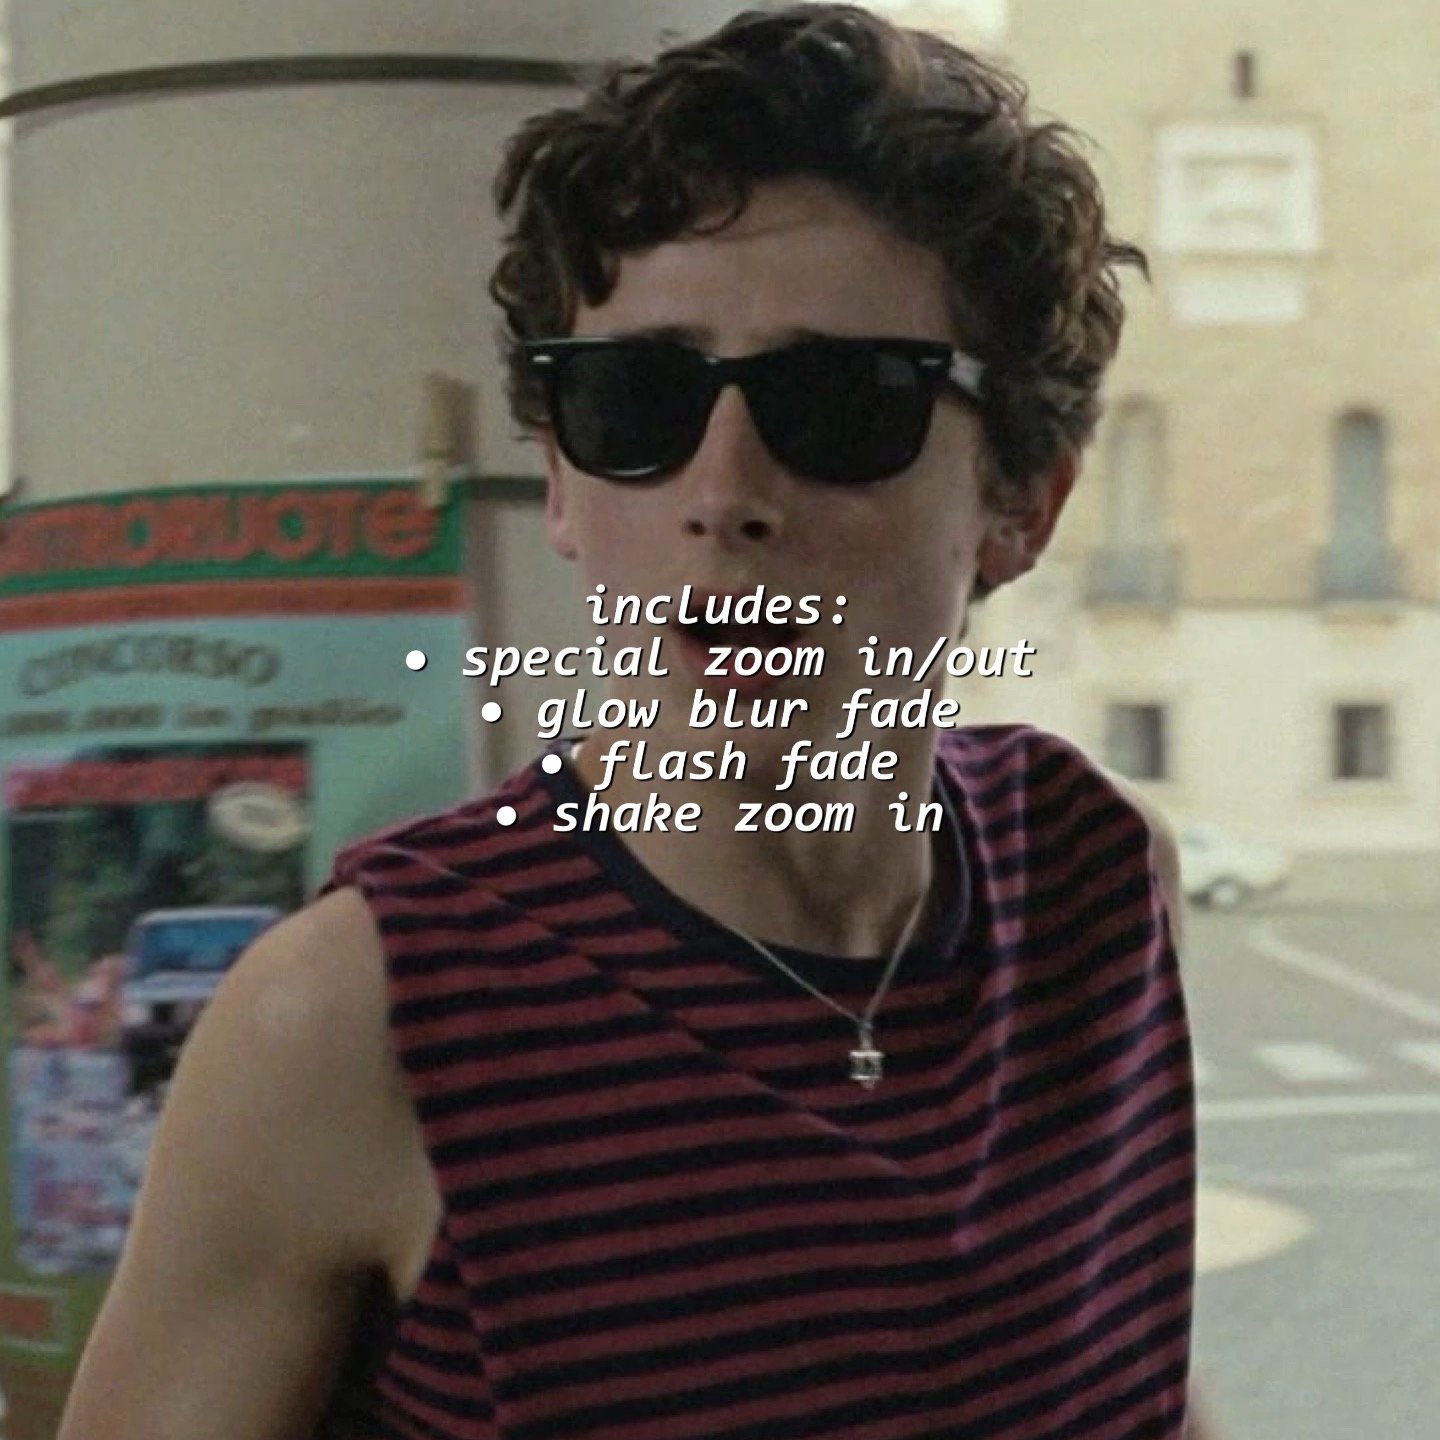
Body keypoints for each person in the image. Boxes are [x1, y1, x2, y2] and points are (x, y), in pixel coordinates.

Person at [60, 6, 1214, 1438]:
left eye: (841, 403)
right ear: (561, 483)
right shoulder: (360, 1021)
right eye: (636, 400)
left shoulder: (1100, 876)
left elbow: (1138, 1392)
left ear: (1022, 501)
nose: (721, 494)